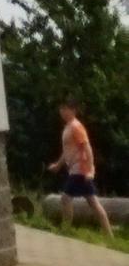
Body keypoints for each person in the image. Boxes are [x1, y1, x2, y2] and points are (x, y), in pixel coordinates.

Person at [47, 101, 116, 237]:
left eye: (65, 109)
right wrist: (58, 164)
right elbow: (67, 151)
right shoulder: (68, 127)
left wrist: (90, 170)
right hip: (75, 169)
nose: (62, 112)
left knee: (66, 198)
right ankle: (109, 234)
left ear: (73, 110)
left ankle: (66, 230)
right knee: (92, 201)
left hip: (80, 169)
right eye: (61, 109)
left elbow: (87, 148)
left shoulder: (76, 127)